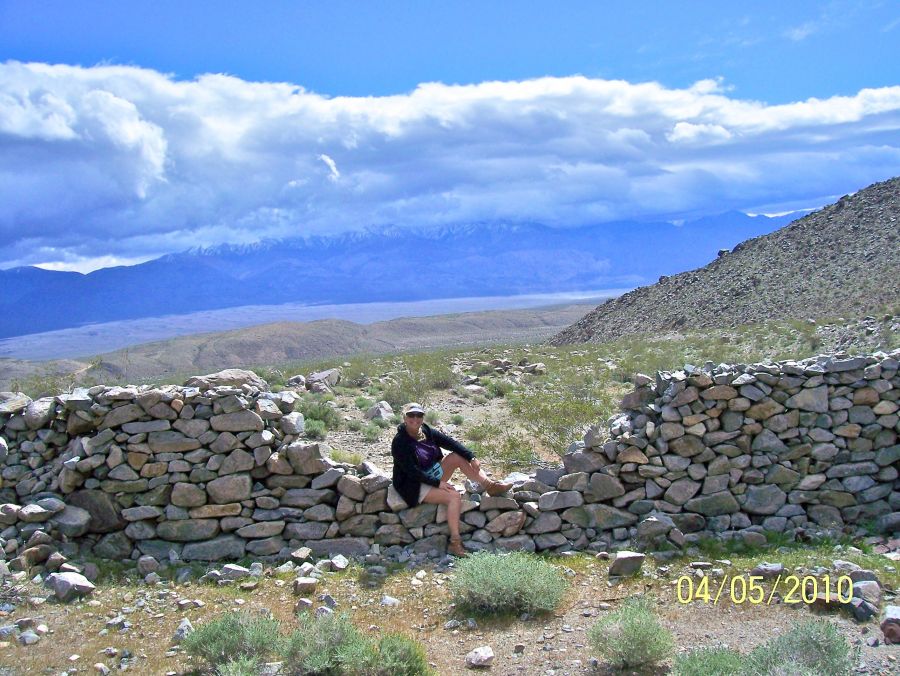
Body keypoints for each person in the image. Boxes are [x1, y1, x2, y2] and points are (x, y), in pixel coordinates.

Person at [391, 402, 512, 557]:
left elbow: (450, 443)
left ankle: (489, 485)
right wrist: (438, 484)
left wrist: (471, 456)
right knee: (454, 496)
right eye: (411, 415)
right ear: (404, 418)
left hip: (431, 474)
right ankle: (455, 543)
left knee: (456, 457)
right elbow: (411, 471)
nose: (415, 419)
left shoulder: (426, 431)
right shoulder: (400, 441)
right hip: (413, 485)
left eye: (419, 415)